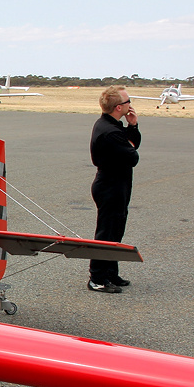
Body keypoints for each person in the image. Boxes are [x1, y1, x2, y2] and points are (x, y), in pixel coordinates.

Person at [87, 85, 141, 293]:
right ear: (119, 107)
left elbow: (131, 146)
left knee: (116, 231)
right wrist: (129, 143)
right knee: (106, 232)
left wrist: (133, 127)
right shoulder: (109, 130)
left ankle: (110, 272)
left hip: (118, 184)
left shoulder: (113, 125)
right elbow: (133, 156)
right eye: (128, 102)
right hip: (109, 186)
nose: (131, 105)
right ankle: (97, 278)